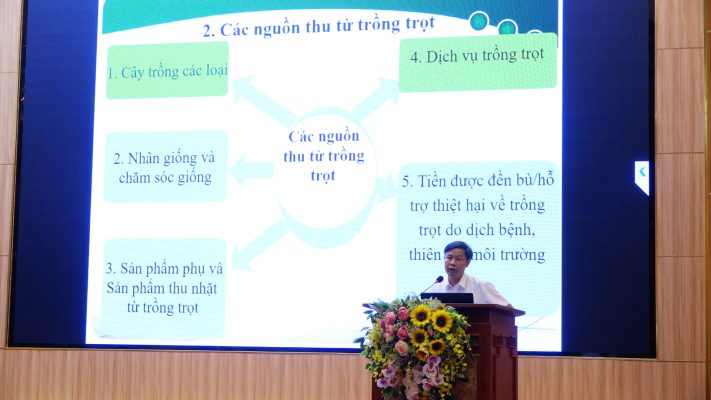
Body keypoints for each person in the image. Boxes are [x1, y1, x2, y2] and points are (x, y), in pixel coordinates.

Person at [425, 241, 511, 307]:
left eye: (458, 259)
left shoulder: (481, 286)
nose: (452, 263)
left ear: (468, 263)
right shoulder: (435, 288)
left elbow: (508, 309)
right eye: (449, 257)